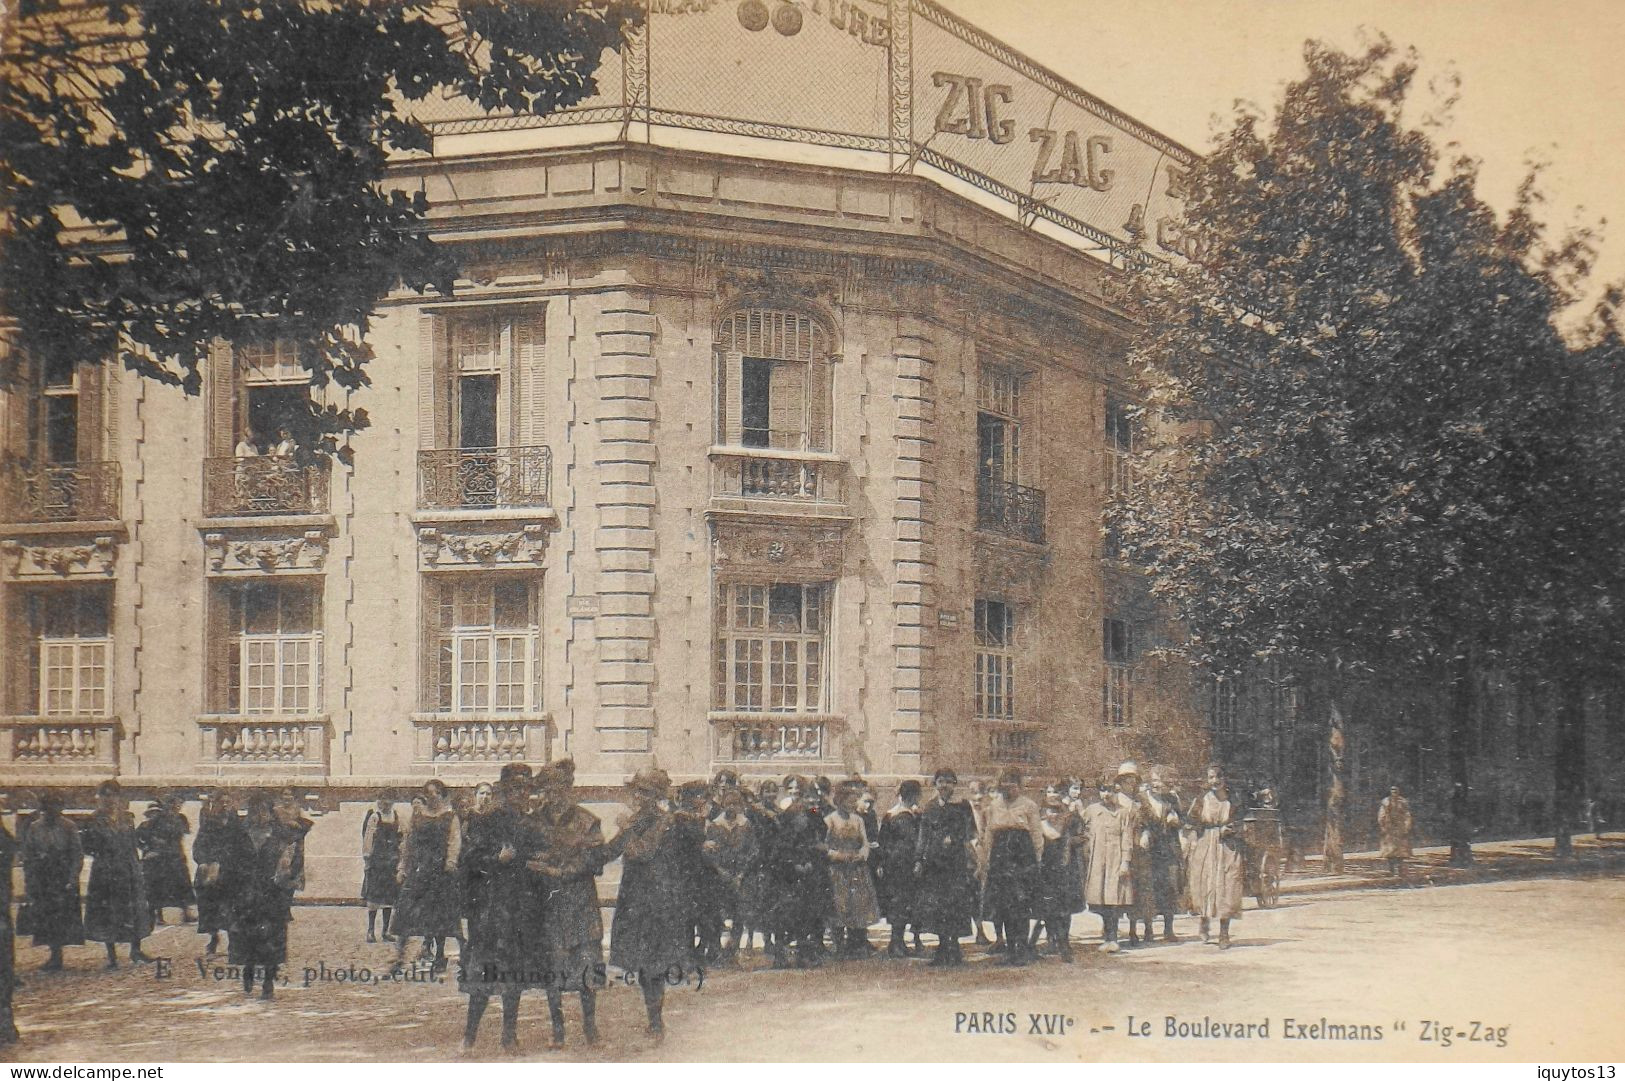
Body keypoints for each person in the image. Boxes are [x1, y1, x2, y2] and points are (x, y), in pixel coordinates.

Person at [606, 767, 689, 1043]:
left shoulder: (665, 821)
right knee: (643, 965)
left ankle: (656, 1023)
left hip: (657, 902)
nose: (637, 797)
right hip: (636, 901)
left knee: (653, 964)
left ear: (655, 796)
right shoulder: (637, 820)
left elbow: (642, 851)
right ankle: (653, 1020)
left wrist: (624, 829)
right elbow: (611, 850)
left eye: (644, 792)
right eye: (637, 791)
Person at [459, 778, 540, 1052]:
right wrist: (498, 860)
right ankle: (469, 1039)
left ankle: (509, 1037)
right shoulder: (485, 822)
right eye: (516, 790)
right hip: (491, 914)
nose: (521, 795)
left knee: (513, 979)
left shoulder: (528, 824)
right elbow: (469, 860)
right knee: (482, 977)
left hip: (517, 913)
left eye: (525, 789)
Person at [528, 762, 606, 1049]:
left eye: (561, 787)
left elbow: (595, 861)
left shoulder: (588, 821)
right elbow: (527, 853)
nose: (555, 793)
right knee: (553, 968)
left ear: (570, 788)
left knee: (587, 968)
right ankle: (557, 1030)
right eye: (549, 788)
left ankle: (590, 1027)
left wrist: (559, 871)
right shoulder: (534, 821)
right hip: (548, 905)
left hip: (580, 904)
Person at [229, 789, 310, 998]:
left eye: (264, 811)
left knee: (271, 938)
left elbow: (296, 855)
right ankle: (248, 969)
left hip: (273, 893)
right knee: (249, 936)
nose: (260, 815)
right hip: (247, 894)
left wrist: (288, 876)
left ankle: (268, 981)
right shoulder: (240, 834)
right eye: (255, 811)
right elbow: (231, 862)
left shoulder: (280, 834)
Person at [82, 780, 152, 968]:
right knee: (108, 912)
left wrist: (137, 864)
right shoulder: (93, 819)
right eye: (105, 795)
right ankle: (112, 956)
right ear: (100, 798)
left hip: (128, 868)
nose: (110, 799)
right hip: (105, 870)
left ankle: (136, 950)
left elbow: (133, 842)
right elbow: (87, 845)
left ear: (119, 798)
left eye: (113, 795)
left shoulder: (127, 818)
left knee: (134, 909)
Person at [395, 779, 463, 971]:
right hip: (420, 870)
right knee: (405, 911)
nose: (432, 797)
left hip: (441, 872)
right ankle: (400, 955)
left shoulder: (450, 817)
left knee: (439, 916)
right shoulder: (418, 816)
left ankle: (440, 955)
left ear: (443, 795)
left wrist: (451, 861)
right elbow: (408, 844)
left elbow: (454, 841)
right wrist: (402, 867)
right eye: (429, 793)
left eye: (436, 793)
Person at [766, 774, 831, 968]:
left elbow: (821, 830)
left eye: (803, 792)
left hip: (807, 865)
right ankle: (780, 954)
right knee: (783, 910)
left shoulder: (812, 811)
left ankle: (803, 952)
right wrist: (793, 863)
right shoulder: (785, 813)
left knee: (806, 911)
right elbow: (781, 842)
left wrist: (811, 859)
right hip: (787, 869)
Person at [914, 768, 976, 966]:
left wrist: (956, 840)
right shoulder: (930, 807)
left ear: (955, 784)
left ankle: (955, 948)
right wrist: (919, 859)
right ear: (935, 784)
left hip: (955, 863)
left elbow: (970, 832)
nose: (945, 785)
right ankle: (941, 949)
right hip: (935, 864)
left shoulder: (963, 806)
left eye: (949, 781)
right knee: (938, 905)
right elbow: (923, 835)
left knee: (955, 904)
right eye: (941, 781)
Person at [983, 767, 1044, 965]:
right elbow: (989, 834)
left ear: (1019, 785)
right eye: (1005, 783)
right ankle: (1010, 949)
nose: (1009, 787)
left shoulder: (1029, 806)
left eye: (1013, 783)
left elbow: (1036, 834)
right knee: (1004, 904)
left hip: (1023, 857)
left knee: (1021, 903)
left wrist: (1037, 860)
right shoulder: (994, 805)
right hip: (1000, 859)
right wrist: (986, 859)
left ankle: (1022, 948)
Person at [20, 790, 84, 971]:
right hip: (43, 877)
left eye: (55, 807)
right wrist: (30, 878)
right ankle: (54, 954)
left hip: (62, 876)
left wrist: (72, 877)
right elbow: (28, 854)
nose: (51, 811)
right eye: (47, 808)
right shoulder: (34, 827)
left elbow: (76, 853)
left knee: (61, 916)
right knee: (46, 916)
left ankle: (57, 955)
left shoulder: (69, 826)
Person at [1187, 764, 1246, 948]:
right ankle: (1204, 921)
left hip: (1227, 848)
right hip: (1206, 845)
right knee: (1205, 885)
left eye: (1219, 777)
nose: (1215, 781)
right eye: (1211, 777)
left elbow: (1242, 822)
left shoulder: (1233, 800)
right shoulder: (1201, 800)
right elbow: (1190, 821)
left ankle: (1224, 933)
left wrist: (1230, 828)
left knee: (1227, 887)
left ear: (1225, 778)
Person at [1084, 767, 1139, 953]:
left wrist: (1125, 861)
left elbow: (1127, 839)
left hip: (1116, 860)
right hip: (1098, 860)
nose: (1106, 794)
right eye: (1102, 789)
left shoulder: (1123, 813)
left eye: (1109, 789)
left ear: (1116, 790)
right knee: (1100, 899)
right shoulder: (1091, 811)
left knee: (1113, 899)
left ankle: (1113, 938)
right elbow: (1083, 832)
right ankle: (1107, 936)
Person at [824, 779, 879, 958]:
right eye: (848, 800)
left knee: (857, 906)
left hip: (856, 869)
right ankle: (839, 945)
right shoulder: (830, 820)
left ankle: (856, 945)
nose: (851, 803)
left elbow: (865, 843)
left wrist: (862, 855)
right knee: (839, 906)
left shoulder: (858, 820)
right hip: (838, 870)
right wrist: (838, 856)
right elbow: (825, 847)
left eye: (854, 800)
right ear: (839, 800)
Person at [703, 786, 757, 964]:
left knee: (739, 913)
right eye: (728, 803)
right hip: (720, 875)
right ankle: (716, 949)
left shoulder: (746, 825)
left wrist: (742, 873)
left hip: (741, 875)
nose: (731, 807)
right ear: (723, 804)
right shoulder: (715, 825)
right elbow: (710, 854)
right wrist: (720, 870)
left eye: (735, 803)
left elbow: (752, 850)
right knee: (718, 913)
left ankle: (732, 950)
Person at [1137, 766, 1185, 943]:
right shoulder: (1142, 800)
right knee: (1148, 888)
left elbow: (1184, 819)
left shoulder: (1171, 799)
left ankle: (1168, 929)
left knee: (1169, 888)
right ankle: (1148, 929)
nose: (1156, 784)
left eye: (1159, 780)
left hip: (1168, 850)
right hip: (1149, 851)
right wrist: (1143, 832)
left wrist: (1176, 820)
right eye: (1154, 780)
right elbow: (1137, 822)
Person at [193, 789, 243, 956]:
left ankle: (233, 943)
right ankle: (214, 937)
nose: (225, 805)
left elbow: (244, 846)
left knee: (231, 908)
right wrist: (203, 862)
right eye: (222, 802)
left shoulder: (236, 824)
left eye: (228, 802)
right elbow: (199, 846)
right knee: (210, 908)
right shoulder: (208, 824)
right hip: (211, 871)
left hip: (231, 872)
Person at [1034, 794, 1083, 961]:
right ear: (1044, 811)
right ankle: (1051, 939)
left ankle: (1065, 941)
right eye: (1050, 810)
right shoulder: (1039, 827)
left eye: (1056, 811)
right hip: (1045, 873)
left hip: (1064, 871)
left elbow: (1082, 838)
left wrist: (1071, 842)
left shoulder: (1066, 828)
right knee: (1048, 907)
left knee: (1064, 907)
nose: (1053, 814)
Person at [877, 780, 923, 958]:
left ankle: (899, 942)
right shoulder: (899, 816)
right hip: (900, 864)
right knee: (899, 903)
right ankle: (895, 943)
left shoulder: (896, 815)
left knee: (902, 904)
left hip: (899, 863)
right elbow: (886, 841)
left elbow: (882, 842)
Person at [136, 794, 196, 925]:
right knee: (157, 887)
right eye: (175, 803)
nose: (178, 806)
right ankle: (157, 915)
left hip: (176, 855)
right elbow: (144, 836)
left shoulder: (180, 818)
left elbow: (185, 832)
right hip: (161, 858)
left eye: (180, 803)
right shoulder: (156, 821)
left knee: (182, 884)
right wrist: (149, 847)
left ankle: (186, 913)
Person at [361, 792, 402, 943]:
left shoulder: (396, 816)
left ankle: (386, 931)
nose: (387, 803)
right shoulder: (375, 817)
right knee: (374, 896)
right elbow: (368, 837)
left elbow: (401, 837)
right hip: (377, 861)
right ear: (379, 801)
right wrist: (367, 857)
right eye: (384, 800)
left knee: (389, 897)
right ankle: (370, 930)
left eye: (390, 800)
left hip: (391, 861)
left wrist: (400, 857)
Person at [1378, 785, 1414, 882]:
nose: (1394, 791)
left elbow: (1407, 814)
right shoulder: (1385, 802)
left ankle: (1400, 869)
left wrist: (1407, 826)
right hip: (1389, 828)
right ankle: (1391, 869)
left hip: (1400, 828)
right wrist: (1382, 825)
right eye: (1392, 790)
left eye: (1396, 790)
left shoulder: (1403, 802)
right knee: (1390, 851)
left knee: (1401, 851)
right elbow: (1382, 815)